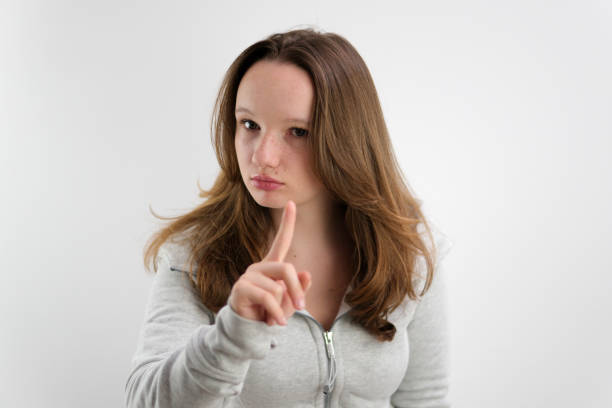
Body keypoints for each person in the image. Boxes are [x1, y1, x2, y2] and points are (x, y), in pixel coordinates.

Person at [125, 27, 453, 408]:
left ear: (346, 138)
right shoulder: (196, 253)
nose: (263, 155)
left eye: (297, 131)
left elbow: (425, 400)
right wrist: (232, 336)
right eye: (249, 125)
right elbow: (144, 401)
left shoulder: (408, 249)